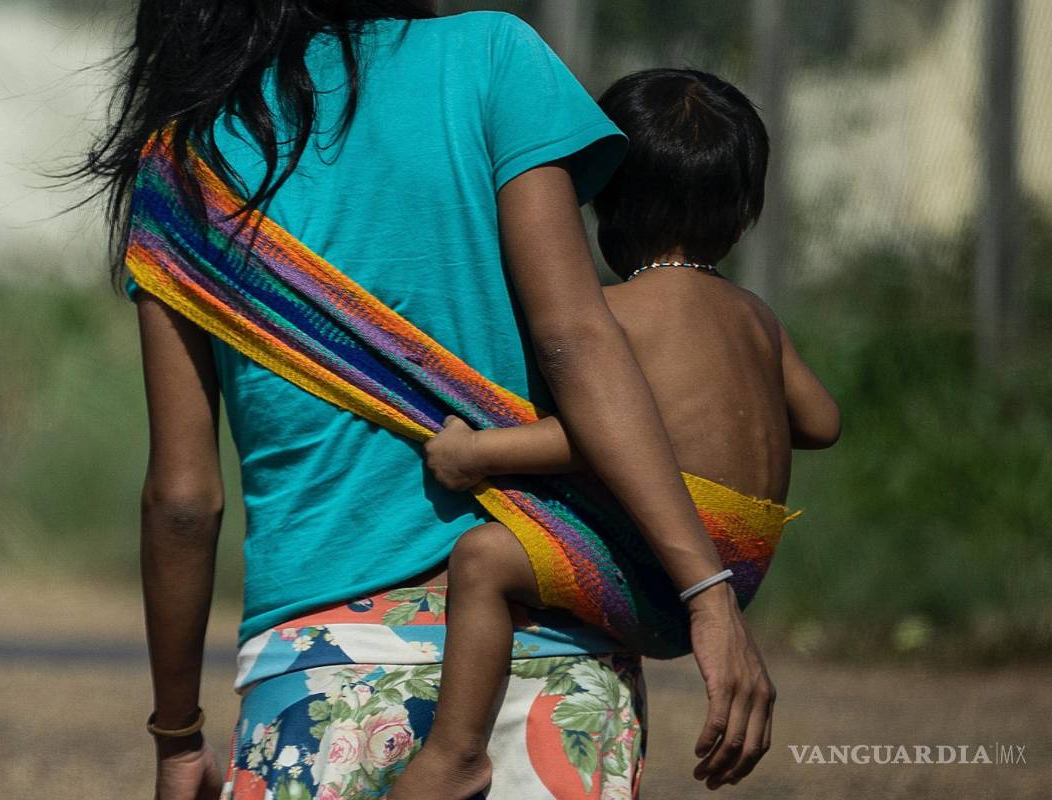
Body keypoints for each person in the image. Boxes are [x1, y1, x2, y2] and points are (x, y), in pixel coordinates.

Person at [74, 1, 784, 795]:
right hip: (547, 644)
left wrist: (178, 738)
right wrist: (707, 593)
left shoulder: (182, 166)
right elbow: (576, 340)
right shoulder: (493, 54)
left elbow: (183, 503)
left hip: (326, 665)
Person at [395, 68, 841, 799]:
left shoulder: (620, 313)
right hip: (743, 563)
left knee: (482, 560)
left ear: (604, 203)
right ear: (744, 212)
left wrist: (476, 452)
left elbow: (598, 436)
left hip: (667, 568)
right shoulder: (756, 316)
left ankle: (455, 753)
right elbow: (822, 423)